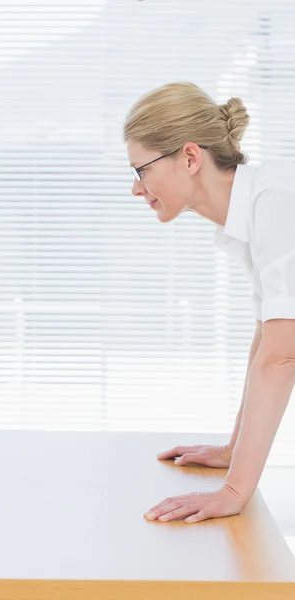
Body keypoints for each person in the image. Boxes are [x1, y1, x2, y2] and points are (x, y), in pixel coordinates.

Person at [124, 81, 295, 524]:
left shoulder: (276, 201)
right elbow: (266, 342)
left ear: (190, 157)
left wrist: (234, 491)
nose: (137, 189)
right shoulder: (254, 213)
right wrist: (231, 451)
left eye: (142, 169)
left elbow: (281, 358)